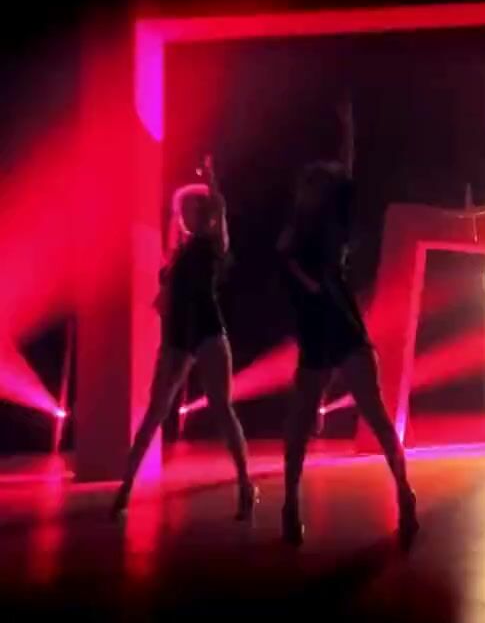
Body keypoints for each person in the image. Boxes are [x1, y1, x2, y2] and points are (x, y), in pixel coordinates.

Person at [277, 99, 417, 545]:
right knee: (299, 425)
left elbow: (348, 169)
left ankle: (404, 494)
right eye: (311, 183)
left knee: (375, 414)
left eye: (318, 183)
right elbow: (292, 274)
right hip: (316, 333)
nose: (313, 189)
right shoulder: (294, 233)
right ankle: (290, 504)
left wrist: (349, 129)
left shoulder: (333, 221)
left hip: (342, 325)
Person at [111, 156, 257, 521]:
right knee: (154, 414)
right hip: (177, 338)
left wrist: (212, 179)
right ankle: (124, 490)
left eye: (193, 208)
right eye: (184, 210)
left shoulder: (212, 244)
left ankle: (245, 484)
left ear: (203, 214)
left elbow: (220, 208)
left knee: (222, 408)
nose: (186, 214)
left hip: (208, 331)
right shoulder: (178, 254)